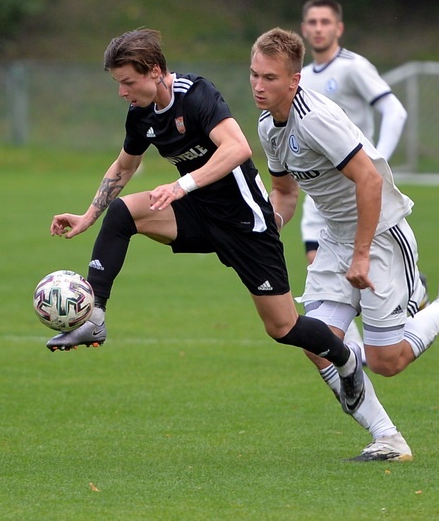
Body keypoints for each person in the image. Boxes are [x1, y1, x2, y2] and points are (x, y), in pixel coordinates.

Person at [46, 28, 365, 416]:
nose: (122, 92)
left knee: (283, 328)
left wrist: (181, 186)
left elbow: (238, 147)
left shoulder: (196, 94)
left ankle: (345, 359)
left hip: (244, 221)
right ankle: (94, 317)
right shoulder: (140, 113)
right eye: (118, 84)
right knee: (122, 214)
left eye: (128, 82)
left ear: (154, 71)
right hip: (197, 214)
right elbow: (125, 166)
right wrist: (87, 216)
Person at [250, 27, 439, 460]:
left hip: (379, 237)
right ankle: (388, 439)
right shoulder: (268, 126)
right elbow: (284, 193)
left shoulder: (315, 118)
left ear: (294, 80)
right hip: (334, 237)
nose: (259, 87)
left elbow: (370, 179)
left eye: (270, 78)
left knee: (386, 362)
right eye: (254, 75)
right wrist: (264, 231)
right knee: (314, 340)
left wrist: (360, 256)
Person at [298, 0, 412, 353]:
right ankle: (354, 357)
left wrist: (377, 162)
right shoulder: (298, 77)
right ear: (303, 28)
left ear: (338, 28)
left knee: (360, 272)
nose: (318, 28)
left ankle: (409, 297)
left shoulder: (352, 67)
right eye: (312, 22)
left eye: (325, 22)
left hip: (359, 188)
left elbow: (395, 111)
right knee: (319, 266)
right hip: (321, 193)